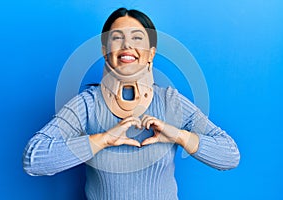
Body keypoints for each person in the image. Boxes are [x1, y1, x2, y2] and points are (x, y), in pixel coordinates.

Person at [23, 7, 240, 200]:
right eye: (117, 38)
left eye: (137, 38)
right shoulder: (87, 104)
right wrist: (103, 139)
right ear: (104, 50)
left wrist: (178, 135)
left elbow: (230, 155)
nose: (127, 44)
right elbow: (33, 160)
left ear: (151, 54)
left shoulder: (170, 102)